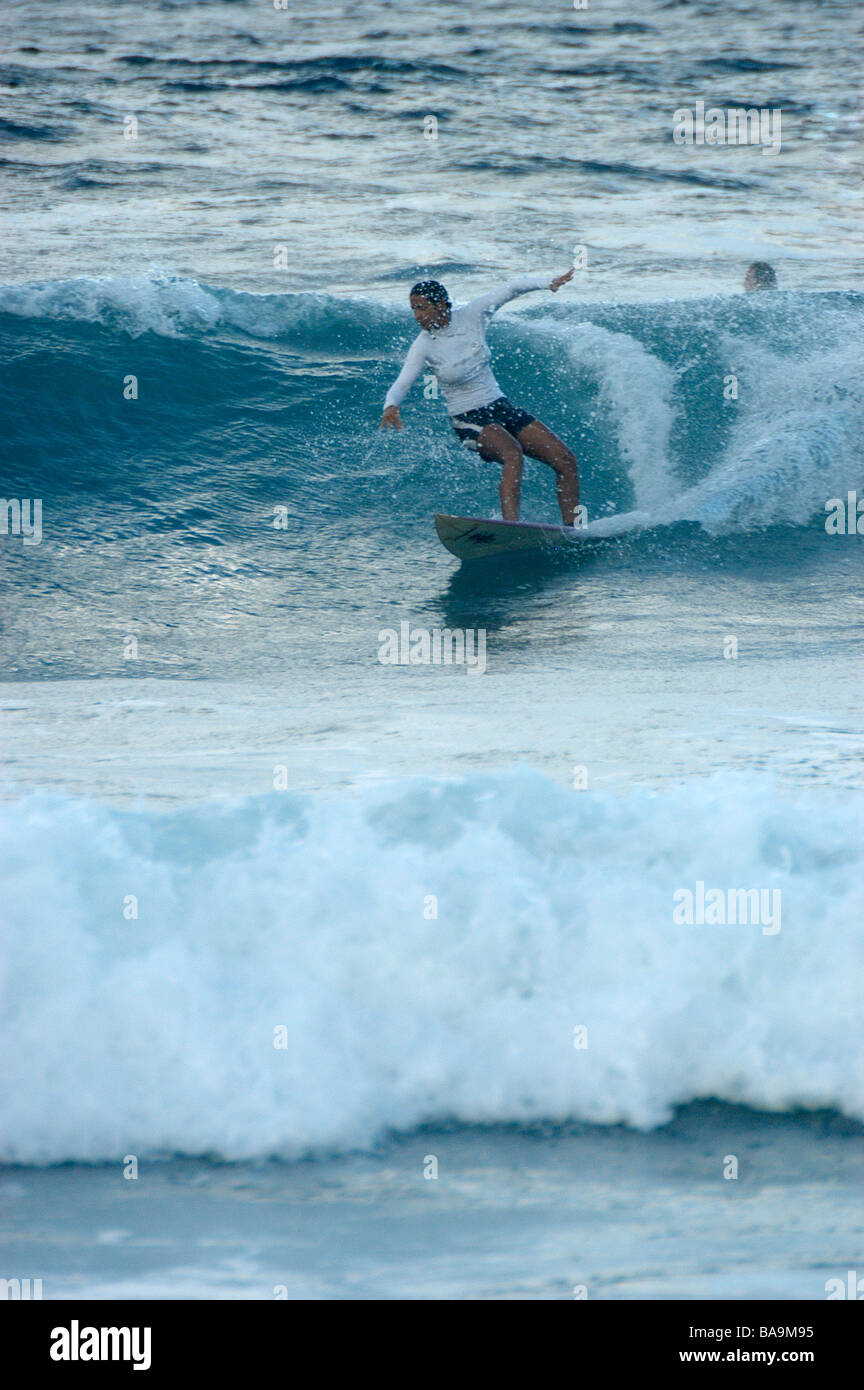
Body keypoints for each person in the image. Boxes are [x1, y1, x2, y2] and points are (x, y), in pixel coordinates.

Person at [380, 270, 580, 525]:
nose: (417, 316)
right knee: (512, 453)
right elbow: (402, 382)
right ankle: (511, 529)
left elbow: (510, 288)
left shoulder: (472, 315)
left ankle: (574, 531)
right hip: (468, 417)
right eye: (413, 309)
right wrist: (391, 405)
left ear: (440, 304)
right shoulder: (424, 345)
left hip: (500, 405)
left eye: (421, 308)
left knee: (565, 460)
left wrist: (546, 283)